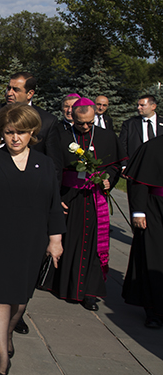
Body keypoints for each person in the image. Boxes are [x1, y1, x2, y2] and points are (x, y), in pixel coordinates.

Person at [0, 103, 65, 375]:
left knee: (20, 299)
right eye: (9, 132)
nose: (15, 138)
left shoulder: (45, 165)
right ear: (1, 134)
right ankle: (1, 359)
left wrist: (55, 240)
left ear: (32, 133)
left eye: (21, 132)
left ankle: (6, 332)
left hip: (32, 240)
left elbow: (54, 205)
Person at [42, 99, 126, 311]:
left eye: (90, 122)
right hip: (69, 197)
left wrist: (109, 178)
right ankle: (63, 285)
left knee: (92, 245)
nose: (86, 127)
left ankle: (89, 291)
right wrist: (55, 197)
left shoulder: (106, 136)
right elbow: (52, 170)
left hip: (94, 198)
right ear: (73, 117)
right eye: (81, 123)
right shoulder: (61, 137)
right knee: (69, 241)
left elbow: (115, 165)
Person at [122, 135, 163, 329]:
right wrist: (138, 211)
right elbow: (139, 181)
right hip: (155, 210)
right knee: (153, 257)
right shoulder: (153, 147)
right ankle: (153, 310)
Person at [119, 95, 161, 159]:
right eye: (138, 105)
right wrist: (124, 165)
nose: (138, 108)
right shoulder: (129, 124)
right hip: (137, 162)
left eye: (142, 105)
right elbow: (122, 146)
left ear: (153, 106)